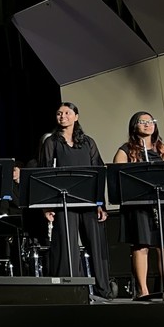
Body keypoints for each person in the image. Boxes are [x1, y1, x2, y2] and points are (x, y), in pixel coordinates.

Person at [37, 102, 112, 299]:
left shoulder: (88, 142)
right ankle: (70, 292)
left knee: (96, 246)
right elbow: (44, 174)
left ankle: (102, 290)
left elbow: (98, 172)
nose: (62, 116)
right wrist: (46, 207)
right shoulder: (51, 142)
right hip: (64, 203)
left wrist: (100, 204)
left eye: (67, 113)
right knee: (66, 247)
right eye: (59, 113)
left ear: (76, 116)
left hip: (88, 202)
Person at [112, 111, 164, 299]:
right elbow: (117, 178)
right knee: (141, 245)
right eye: (142, 122)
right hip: (139, 205)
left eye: (150, 121)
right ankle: (143, 290)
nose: (147, 124)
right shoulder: (125, 150)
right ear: (134, 126)